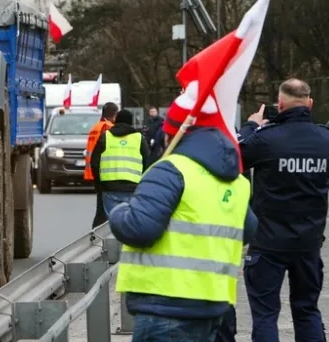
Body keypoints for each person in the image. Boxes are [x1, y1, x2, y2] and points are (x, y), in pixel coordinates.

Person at [108, 87, 258, 341]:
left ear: (172, 134)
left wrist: (119, 212)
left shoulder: (171, 170)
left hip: (165, 307)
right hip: (213, 306)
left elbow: (139, 227)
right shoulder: (236, 180)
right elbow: (248, 229)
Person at [238, 78, 329, 342]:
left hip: (268, 242)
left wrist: (251, 125)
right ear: (311, 103)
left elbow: (232, 157)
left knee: (265, 316)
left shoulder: (265, 140)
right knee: (307, 312)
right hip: (308, 243)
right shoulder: (327, 140)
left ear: (279, 105)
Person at [91, 109, 150, 215]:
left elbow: (94, 163)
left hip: (109, 187)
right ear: (131, 122)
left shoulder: (106, 136)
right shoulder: (139, 138)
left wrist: (99, 185)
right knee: (129, 223)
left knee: (110, 224)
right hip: (133, 188)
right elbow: (148, 162)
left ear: (116, 121)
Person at [84, 102, 119, 228]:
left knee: (101, 207)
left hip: (94, 171)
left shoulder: (96, 127)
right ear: (115, 114)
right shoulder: (107, 128)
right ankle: (97, 234)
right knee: (103, 209)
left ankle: (96, 233)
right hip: (104, 172)